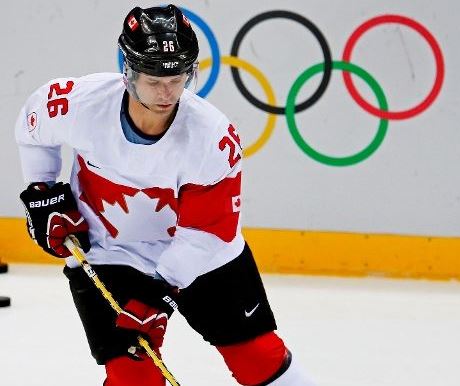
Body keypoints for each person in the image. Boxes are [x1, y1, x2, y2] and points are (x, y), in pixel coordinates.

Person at [16, 4, 315, 386]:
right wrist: (43, 191)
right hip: (110, 252)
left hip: (200, 257)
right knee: (133, 376)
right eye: (153, 78)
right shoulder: (81, 104)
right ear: (128, 70)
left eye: (177, 78)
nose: (166, 92)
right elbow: (32, 128)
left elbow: (206, 234)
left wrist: (158, 296)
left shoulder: (211, 139)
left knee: (257, 357)